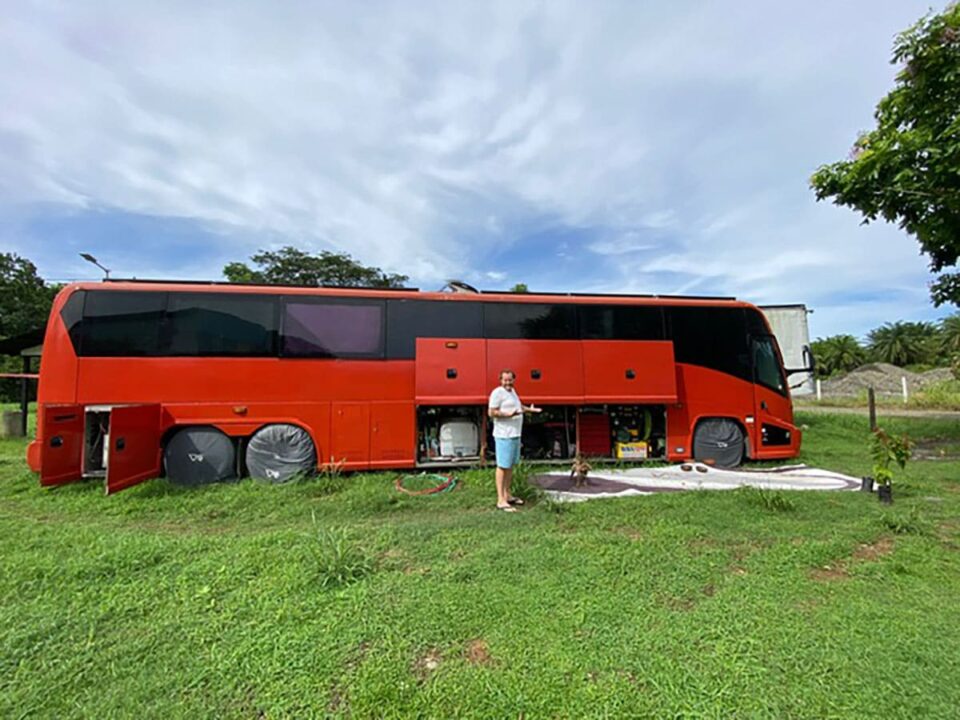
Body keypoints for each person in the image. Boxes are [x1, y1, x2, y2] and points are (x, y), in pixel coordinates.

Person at [488, 369, 540, 512]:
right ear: (500, 380)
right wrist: (507, 415)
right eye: (505, 380)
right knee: (502, 466)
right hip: (504, 435)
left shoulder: (512, 392)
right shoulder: (497, 393)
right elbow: (491, 412)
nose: (508, 382)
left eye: (510, 380)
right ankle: (501, 500)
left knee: (510, 465)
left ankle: (508, 494)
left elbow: (518, 408)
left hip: (515, 434)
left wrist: (530, 409)